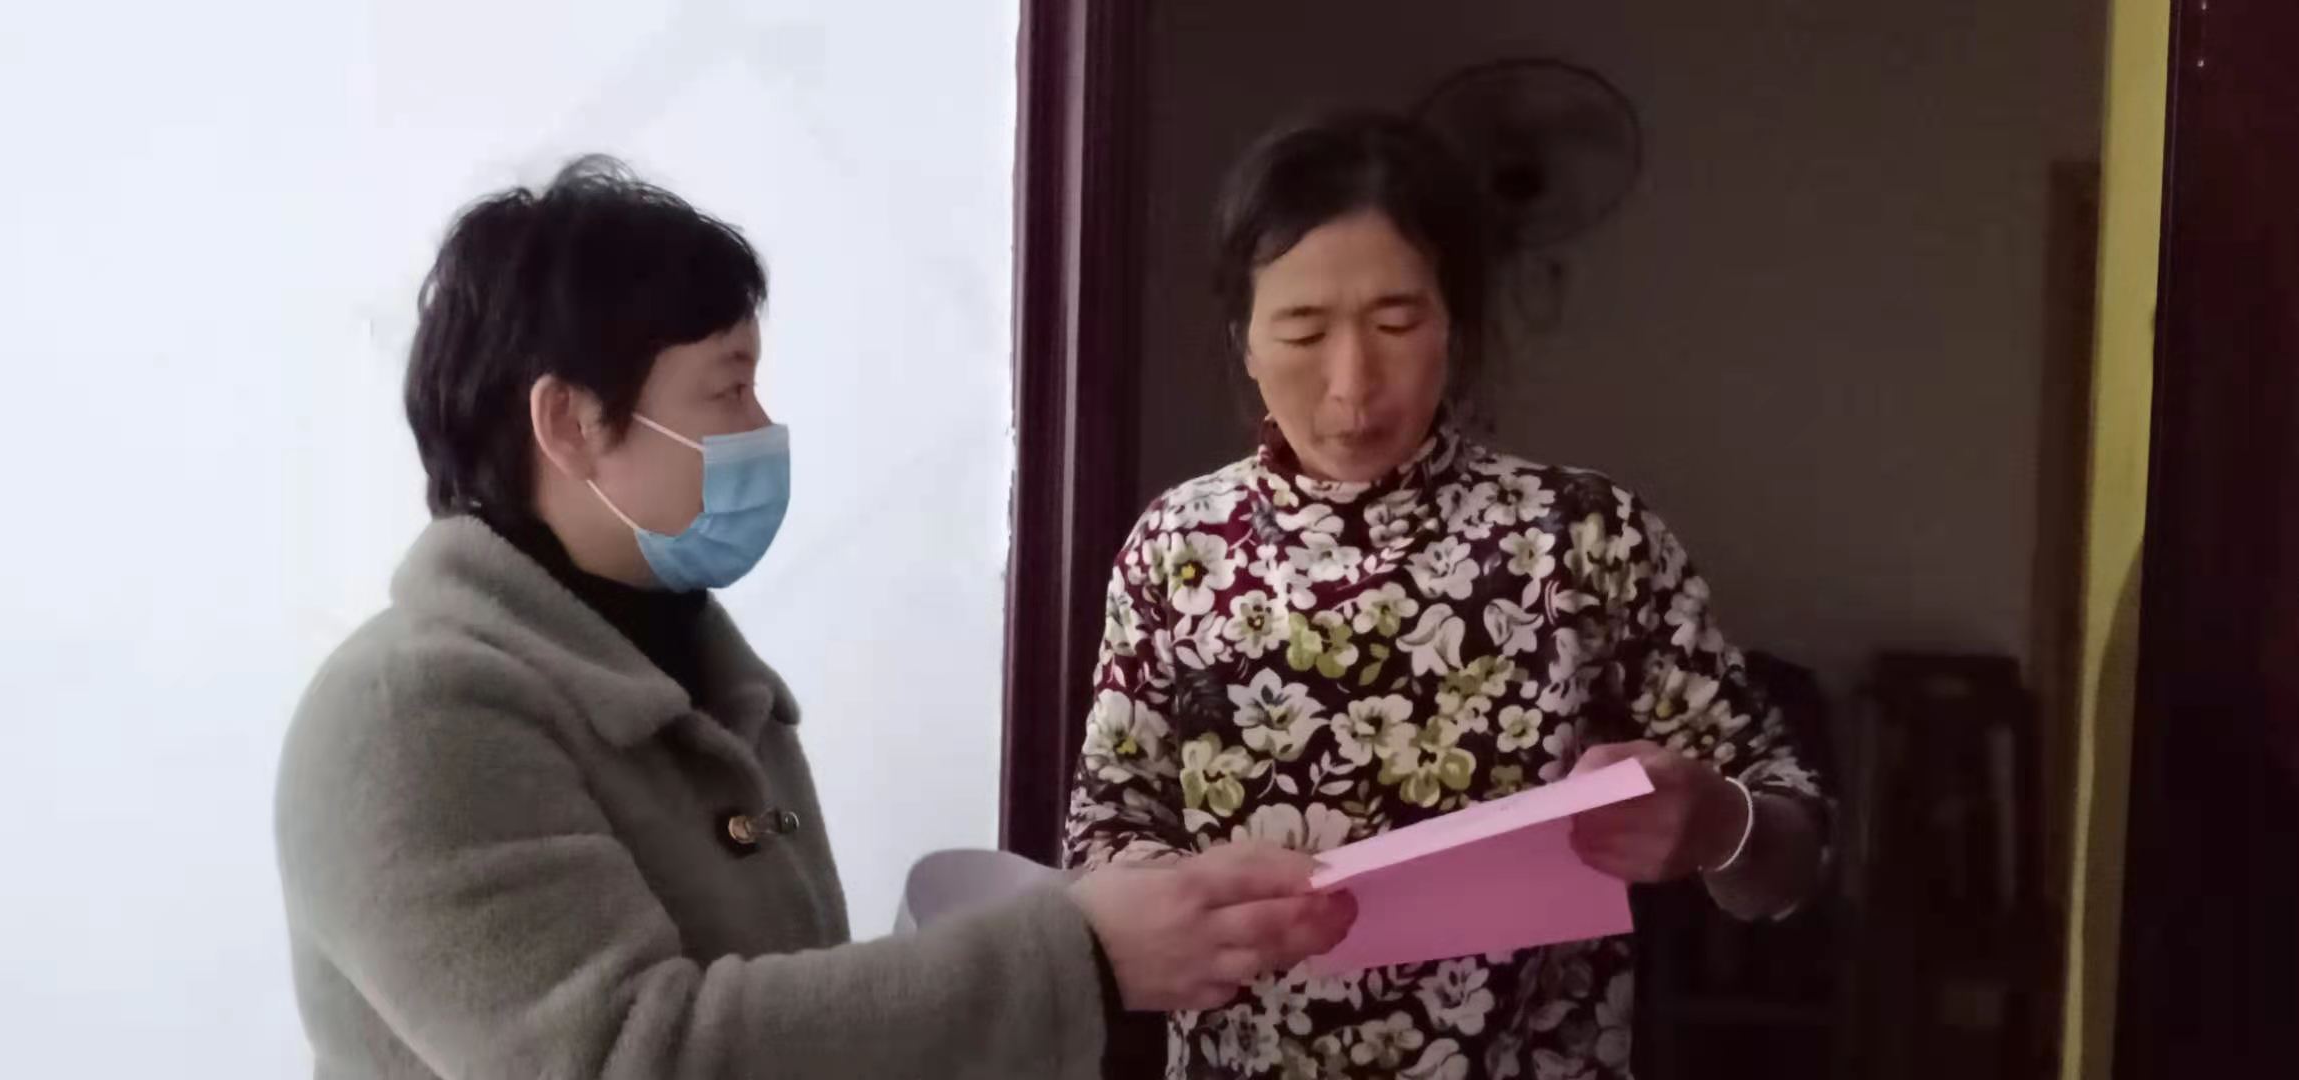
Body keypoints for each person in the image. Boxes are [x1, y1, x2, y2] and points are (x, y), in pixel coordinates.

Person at [272, 156, 1356, 1079]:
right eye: (726, 389)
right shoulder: (411, 714)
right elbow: (626, 1054)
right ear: (569, 421)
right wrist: (1073, 958)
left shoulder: (710, 688)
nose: (763, 427)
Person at [1064, 113, 1828, 1079]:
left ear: (1455, 328)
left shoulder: (1584, 537)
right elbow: (1110, 825)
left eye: (1396, 325)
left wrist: (1721, 823)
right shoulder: (1180, 546)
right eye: (1302, 331)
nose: (1352, 387)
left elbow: (1794, 847)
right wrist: (1160, 902)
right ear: (1244, 342)